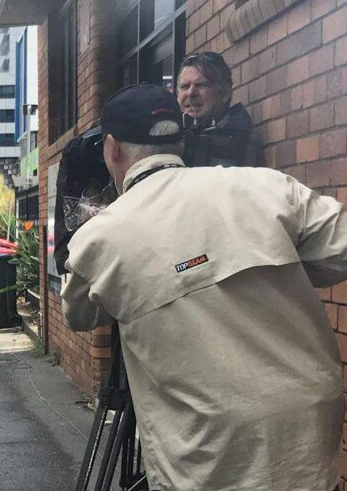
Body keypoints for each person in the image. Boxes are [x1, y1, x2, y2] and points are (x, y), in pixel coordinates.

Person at [61, 83, 346, 491]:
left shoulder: (101, 238)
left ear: (111, 149)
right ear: (180, 140)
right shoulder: (265, 186)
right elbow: (339, 251)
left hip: (206, 452)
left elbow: (78, 314)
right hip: (307, 429)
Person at [176, 51, 254, 167]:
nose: (191, 93)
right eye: (185, 86)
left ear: (224, 93)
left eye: (201, 85)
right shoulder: (170, 139)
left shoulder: (242, 143)